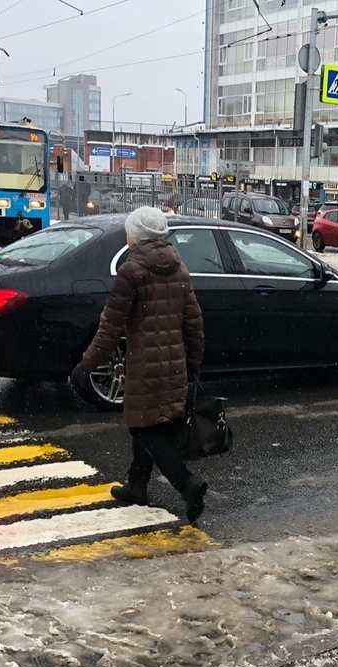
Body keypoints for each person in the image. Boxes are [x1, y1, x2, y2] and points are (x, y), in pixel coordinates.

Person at [70, 206, 209, 523]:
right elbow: (194, 322)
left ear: (136, 238)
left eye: (128, 232)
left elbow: (110, 327)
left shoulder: (130, 273)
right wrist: (195, 363)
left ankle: (188, 484)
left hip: (144, 365)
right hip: (174, 364)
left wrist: (87, 364)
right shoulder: (179, 268)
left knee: (143, 428)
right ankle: (137, 485)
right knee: (150, 424)